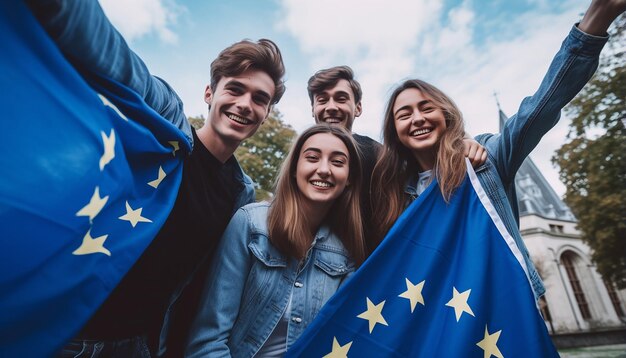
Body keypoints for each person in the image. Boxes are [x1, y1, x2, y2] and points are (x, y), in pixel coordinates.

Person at [25, 0, 286, 356]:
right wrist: (64, 9)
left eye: (260, 99)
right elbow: (121, 65)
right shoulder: (167, 126)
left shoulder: (242, 195)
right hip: (66, 333)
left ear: (266, 113)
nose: (244, 104)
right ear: (209, 94)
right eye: (235, 89)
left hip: (139, 346)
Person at [370, 0, 625, 301]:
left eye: (426, 108)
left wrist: (598, 18)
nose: (417, 118)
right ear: (394, 131)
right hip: (440, 319)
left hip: (504, 307)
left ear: (446, 116)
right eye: (404, 114)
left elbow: (540, 109)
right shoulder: (393, 193)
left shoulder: (486, 159)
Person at [185, 124, 365, 357]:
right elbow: (208, 340)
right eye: (312, 158)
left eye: (338, 162)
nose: (324, 169)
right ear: (294, 168)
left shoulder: (348, 251)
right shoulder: (251, 223)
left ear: (349, 178)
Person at [307, 66, 487, 253]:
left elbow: (425, 173)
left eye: (341, 99)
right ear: (313, 109)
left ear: (358, 108)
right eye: (322, 100)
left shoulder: (380, 156)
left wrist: (461, 140)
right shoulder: (299, 160)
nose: (331, 107)